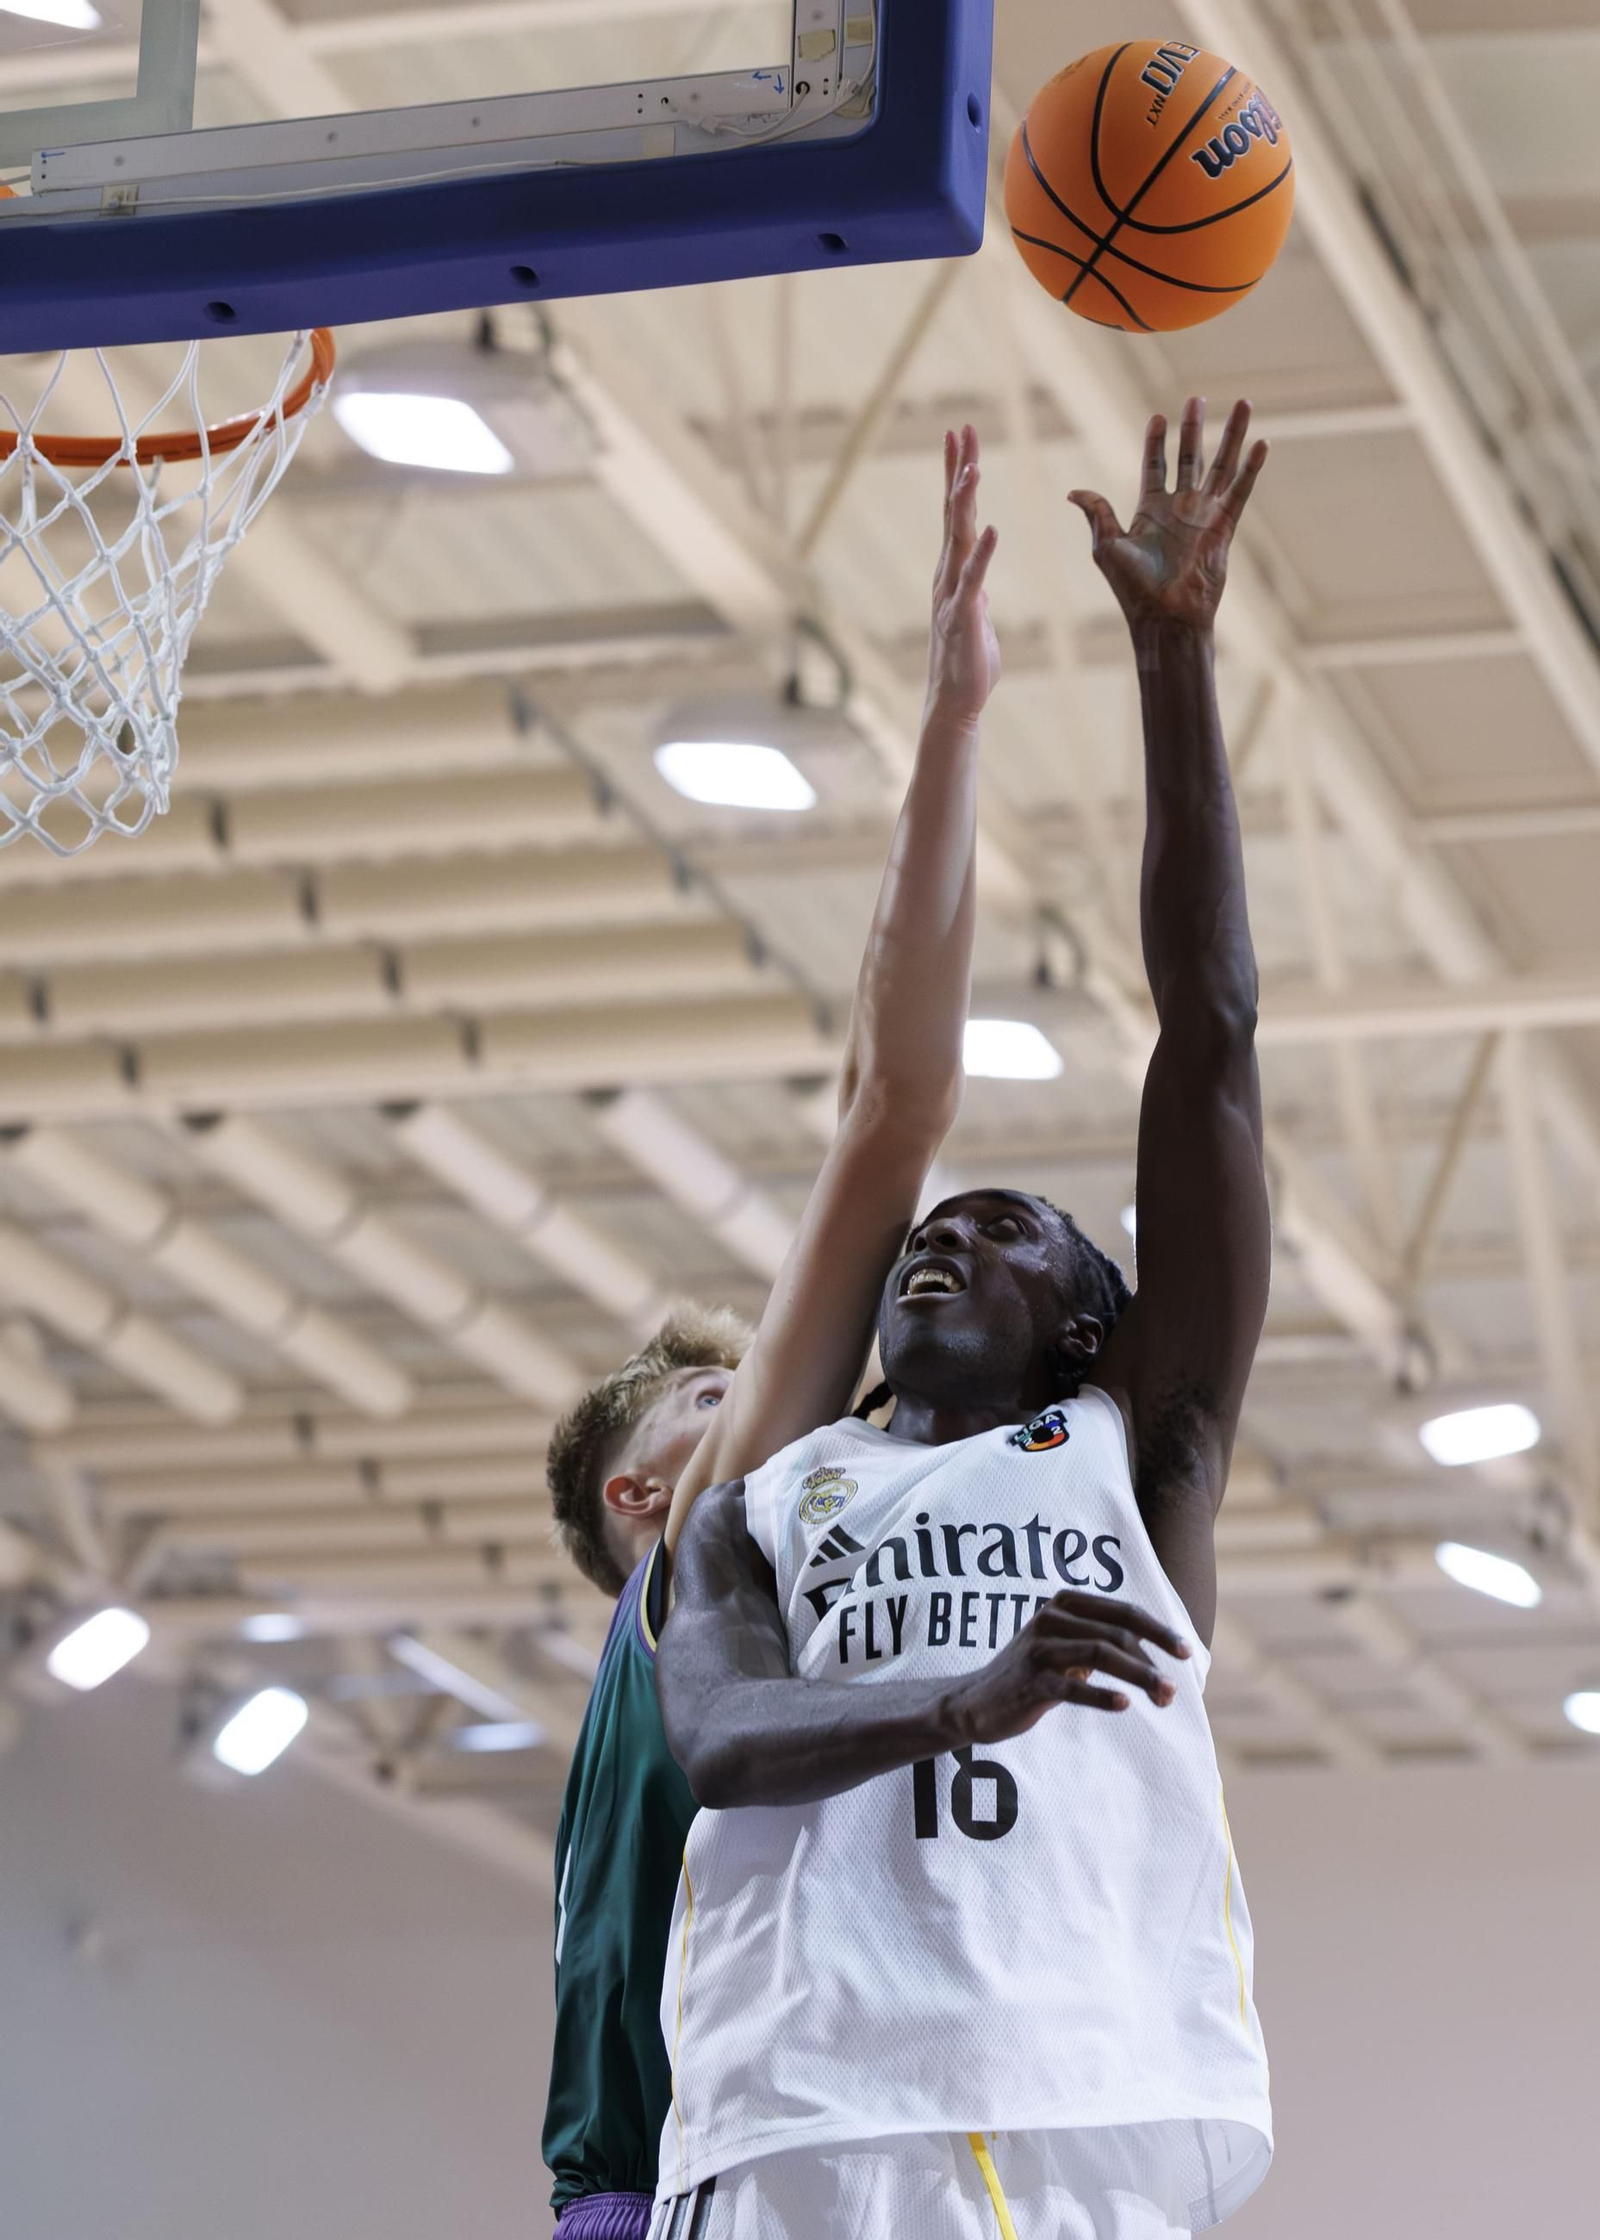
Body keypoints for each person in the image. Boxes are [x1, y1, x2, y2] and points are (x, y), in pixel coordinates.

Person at [652, 398, 1274, 2240]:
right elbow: (719, 1740)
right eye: (932, 1233)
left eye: (1007, 1237)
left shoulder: (1133, 1446)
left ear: (1092, 1324)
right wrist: (969, 1698)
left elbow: (1215, 1038)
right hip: (788, 2096)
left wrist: (1174, 663)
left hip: (1063, 2076)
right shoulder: (760, 1499)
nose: (943, 1244)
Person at [541, 429, 1002, 2237]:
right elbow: (887, 1109)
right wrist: (953, 729)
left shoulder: (701, 1636)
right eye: (713, 1409)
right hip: (664, 2196)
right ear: (647, 1508)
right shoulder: (692, 1570)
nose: (764, 1414)